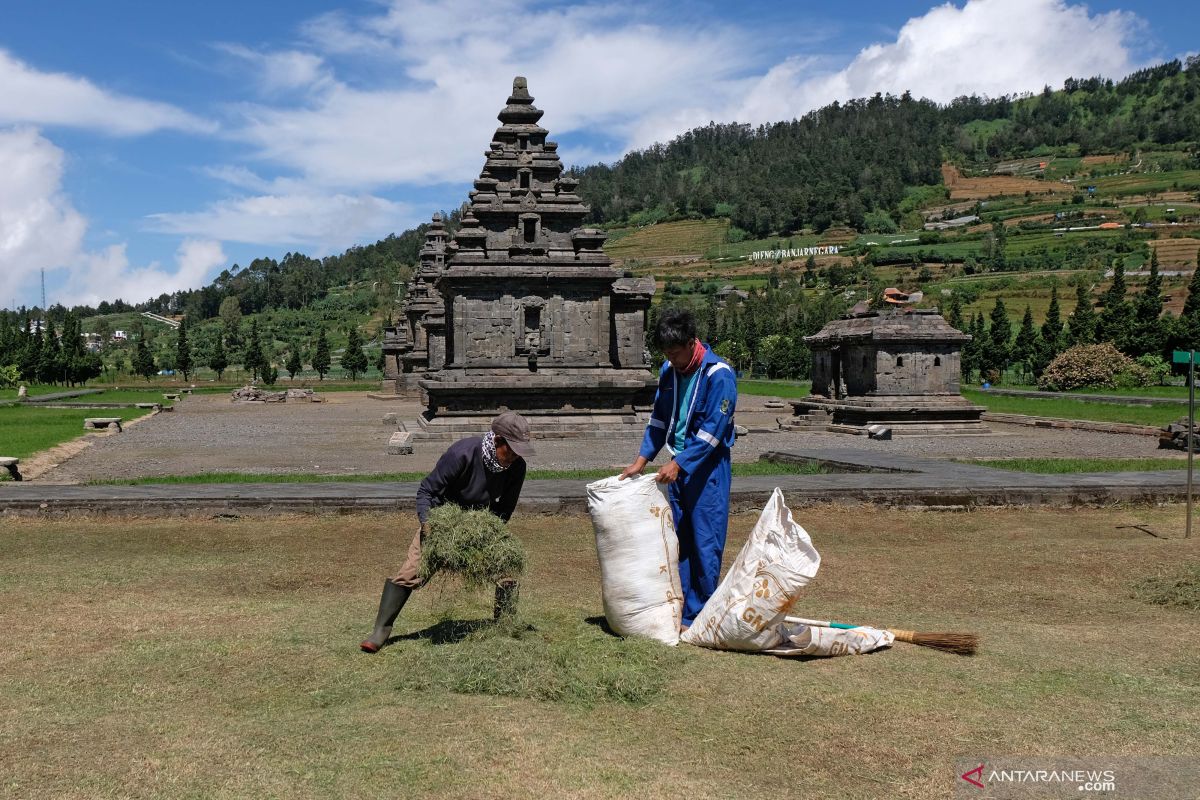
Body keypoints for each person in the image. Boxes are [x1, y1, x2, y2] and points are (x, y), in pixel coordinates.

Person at [360, 411, 534, 653]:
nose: (514, 457)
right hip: (441, 523)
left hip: (480, 525)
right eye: (512, 450)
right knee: (410, 573)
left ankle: (505, 627)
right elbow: (426, 492)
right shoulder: (462, 453)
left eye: (519, 452)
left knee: (507, 568)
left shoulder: (517, 468)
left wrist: (485, 532)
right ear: (497, 440)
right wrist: (429, 525)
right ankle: (381, 630)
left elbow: (505, 509)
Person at [619, 308, 737, 632]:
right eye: (666, 354)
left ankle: (702, 615)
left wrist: (680, 463)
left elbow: (714, 430)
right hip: (678, 466)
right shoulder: (669, 372)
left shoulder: (719, 374)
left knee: (704, 541)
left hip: (707, 469)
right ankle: (681, 609)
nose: (671, 359)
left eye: (675, 352)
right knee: (678, 540)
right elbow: (658, 419)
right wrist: (641, 460)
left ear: (691, 342)